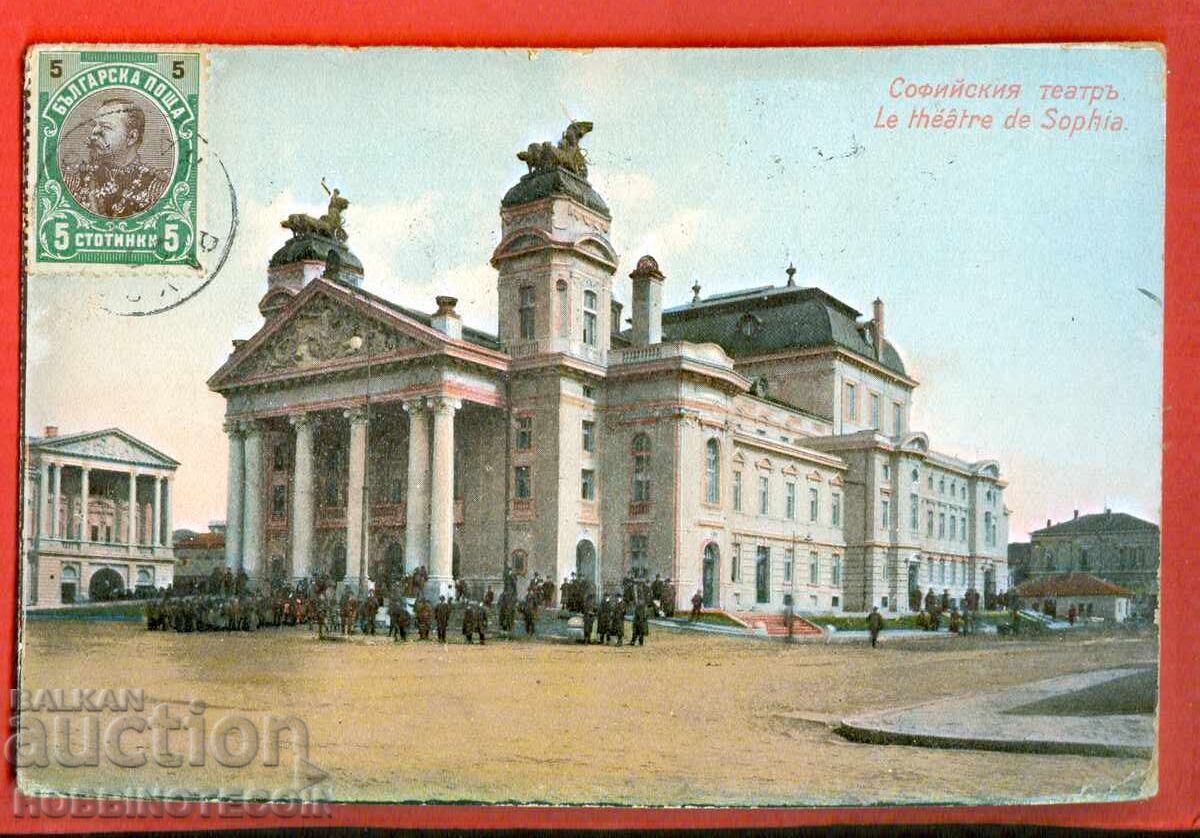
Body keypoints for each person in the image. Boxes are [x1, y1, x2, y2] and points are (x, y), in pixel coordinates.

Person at [64, 96, 170, 219]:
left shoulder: (156, 186)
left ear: (131, 137)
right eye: (95, 125)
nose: (94, 132)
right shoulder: (73, 180)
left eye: (105, 127)